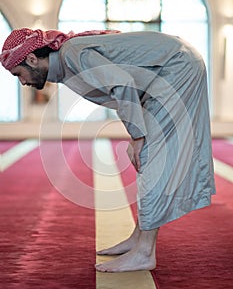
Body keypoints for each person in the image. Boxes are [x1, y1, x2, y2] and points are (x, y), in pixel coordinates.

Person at [0, 28, 216, 273]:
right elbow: (123, 83)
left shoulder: (72, 55)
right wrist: (138, 132)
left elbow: (121, 83)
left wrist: (138, 136)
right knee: (148, 155)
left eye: (19, 74)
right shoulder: (68, 62)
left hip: (176, 68)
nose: (24, 82)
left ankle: (145, 252)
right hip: (171, 69)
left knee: (151, 154)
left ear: (31, 59)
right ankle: (139, 238)